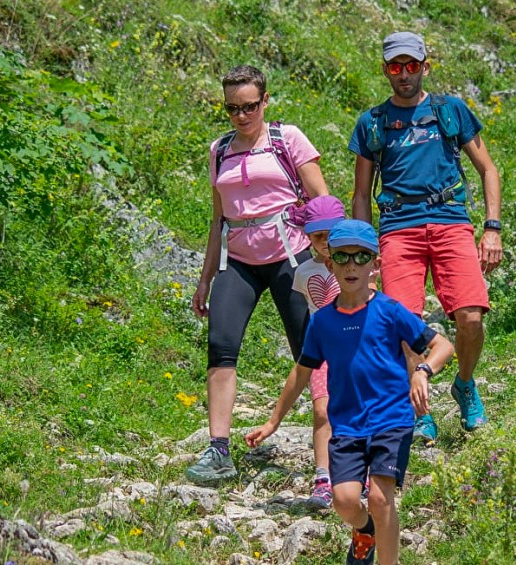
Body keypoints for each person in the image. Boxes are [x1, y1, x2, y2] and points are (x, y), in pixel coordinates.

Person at [245, 219, 454, 565]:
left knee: (380, 496)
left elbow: (442, 344)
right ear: (329, 264)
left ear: (376, 264)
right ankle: (366, 529)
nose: (352, 265)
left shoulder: (389, 311)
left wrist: (422, 370)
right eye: (342, 258)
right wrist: (272, 422)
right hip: (348, 427)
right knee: (344, 500)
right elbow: (301, 371)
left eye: (361, 257)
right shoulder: (322, 321)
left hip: (391, 420)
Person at [349, 31, 503, 443]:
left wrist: (492, 228)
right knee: (405, 324)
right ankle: (419, 411)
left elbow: (488, 169)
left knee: (470, 316)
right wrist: (365, 254)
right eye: (396, 67)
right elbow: (361, 194)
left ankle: (465, 385)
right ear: (385, 70)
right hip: (398, 228)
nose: (404, 74)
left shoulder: (451, 111)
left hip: (452, 222)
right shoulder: (373, 123)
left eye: (412, 66)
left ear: (425, 67)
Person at [187, 64, 329, 485]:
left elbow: (322, 201)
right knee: (221, 344)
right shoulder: (219, 150)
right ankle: (218, 449)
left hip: (292, 254)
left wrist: (336, 258)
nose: (242, 116)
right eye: (232, 109)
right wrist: (205, 277)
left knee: (313, 350)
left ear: (265, 101)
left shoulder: (289, 139)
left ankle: (334, 452)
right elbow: (218, 219)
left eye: (250, 106)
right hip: (240, 261)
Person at [290, 195, 347, 509]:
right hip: (323, 351)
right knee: (322, 411)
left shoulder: (358, 262)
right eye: (318, 237)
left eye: (331, 234)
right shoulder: (303, 273)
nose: (325, 243)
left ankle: (359, 474)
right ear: (308, 238)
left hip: (355, 350)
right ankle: (323, 478)